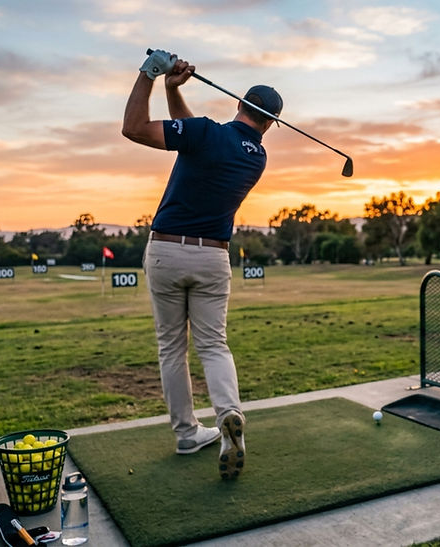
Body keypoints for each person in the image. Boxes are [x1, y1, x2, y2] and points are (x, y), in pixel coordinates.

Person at [122, 49, 282, 479]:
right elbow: (190, 136)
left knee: (172, 347)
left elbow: (134, 128)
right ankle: (230, 414)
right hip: (214, 257)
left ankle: (188, 433)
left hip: (167, 252)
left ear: (239, 104)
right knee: (214, 345)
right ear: (270, 123)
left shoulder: (206, 134)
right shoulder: (255, 157)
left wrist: (150, 75)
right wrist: (176, 91)